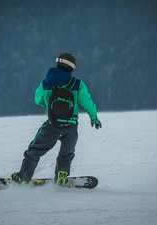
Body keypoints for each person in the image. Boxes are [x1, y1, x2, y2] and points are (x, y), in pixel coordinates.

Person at [11, 52, 101, 186]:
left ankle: (23, 178)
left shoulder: (46, 83)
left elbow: (38, 100)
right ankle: (61, 177)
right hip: (70, 127)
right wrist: (94, 117)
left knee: (34, 151)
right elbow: (87, 102)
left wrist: (49, 104)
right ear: (72, 67)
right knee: (67, 153)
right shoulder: (77, 84)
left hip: (52, 125)